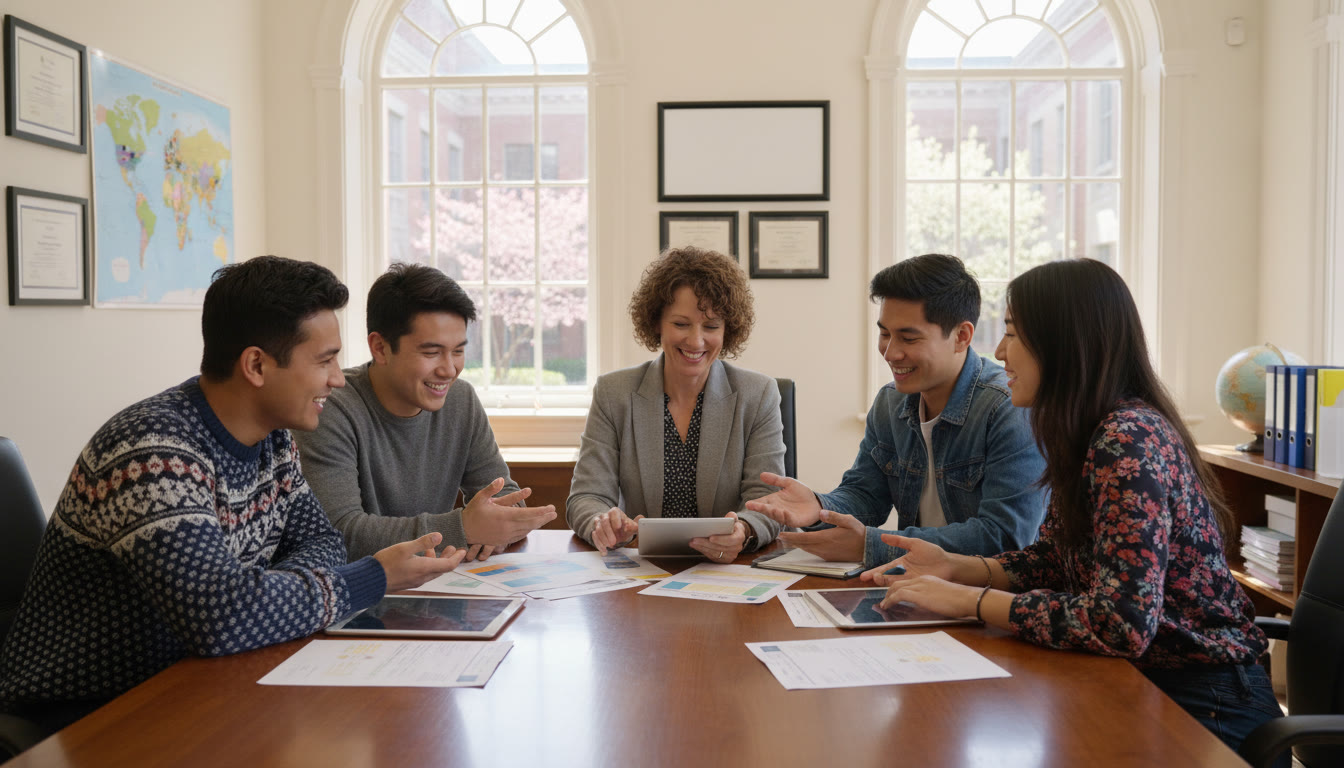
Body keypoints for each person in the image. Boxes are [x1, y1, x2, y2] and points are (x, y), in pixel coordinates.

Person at [0, 256, 464, 733]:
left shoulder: (273, 438)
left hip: (204, 680)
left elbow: (323, 544)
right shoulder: (151, 453)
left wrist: (258, 601)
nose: (338, 379)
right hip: (83, 713)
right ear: (257, 365)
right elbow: (221, 618)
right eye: (324, 360)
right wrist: (370, 578)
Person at [866, 259, 1284, 761]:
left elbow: (1120, 624)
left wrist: (966, 599)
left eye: (1015, 334)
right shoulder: (1088, 432)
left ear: (1066, 345)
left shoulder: (1127, 440)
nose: (999, 352)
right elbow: (1055, 560)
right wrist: (959, 567)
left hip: (1202, 700)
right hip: (1140, 677)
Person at [747, 254, 1046, 568]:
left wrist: (872, 546)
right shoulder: (891, 402)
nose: (890, 353)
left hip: (990, 597)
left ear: (961, 336)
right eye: (885, 334)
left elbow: (1006, 537)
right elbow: (866, 496)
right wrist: (817, 506)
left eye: (908, 337)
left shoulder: (1009, 409)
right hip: (916, 586)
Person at [294, 263, 556, 562]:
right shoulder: (331, 408)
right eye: (431, 352)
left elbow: (500, 492)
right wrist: (464, 529)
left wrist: (500, 523)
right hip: (359, 595)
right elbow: (340, 533)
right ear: (380, 348)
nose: (448, 369)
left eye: (458, 351)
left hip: (440, 585)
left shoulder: (461, 400)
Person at [567, 247, 784, 561]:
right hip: (644, 569)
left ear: (728, 330)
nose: (696, 342)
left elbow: (768, 501)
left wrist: (744, 531)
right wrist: (601, 522)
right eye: (681, 324)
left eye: (711, 327)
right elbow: (587, 496)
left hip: (726, 569)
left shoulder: (758, 394)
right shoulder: (614, 393)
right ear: (657, 323)